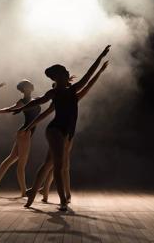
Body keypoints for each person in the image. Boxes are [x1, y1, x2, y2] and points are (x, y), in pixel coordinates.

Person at [0, 45, 110, 211]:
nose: (68, 73)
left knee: (48, 164)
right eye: (64, 72)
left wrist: (101, 56)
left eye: (67, 71)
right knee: (58, 166)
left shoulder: (73, 90)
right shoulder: (53, 93)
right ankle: (62, 201)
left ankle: (32, 195)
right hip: (55, 131)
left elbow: (89, 76)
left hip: (66, 131)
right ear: (58, 77)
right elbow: (36, 103)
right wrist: (19, 109)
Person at [31, 61, 109, 204]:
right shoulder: (59, 97)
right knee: (56, 165)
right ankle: (51, 194)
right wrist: (29, 125)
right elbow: (45, 113)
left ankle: (53, 193)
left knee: (59, 165)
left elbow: (88, 83)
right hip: (58, 131)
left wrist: (100, 71)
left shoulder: (73, 95)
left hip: (67, 133)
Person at [0, 80, 42, 197]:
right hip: (25, 133)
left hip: (25, 132)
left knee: (11, 158)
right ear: (23, 89)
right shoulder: (23, 101)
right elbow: (11, 108)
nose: (30, 87)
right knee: (21, 164)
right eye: (27, 86)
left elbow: (51, 94)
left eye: (30, 85)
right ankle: (23, 191)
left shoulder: (36, 99)